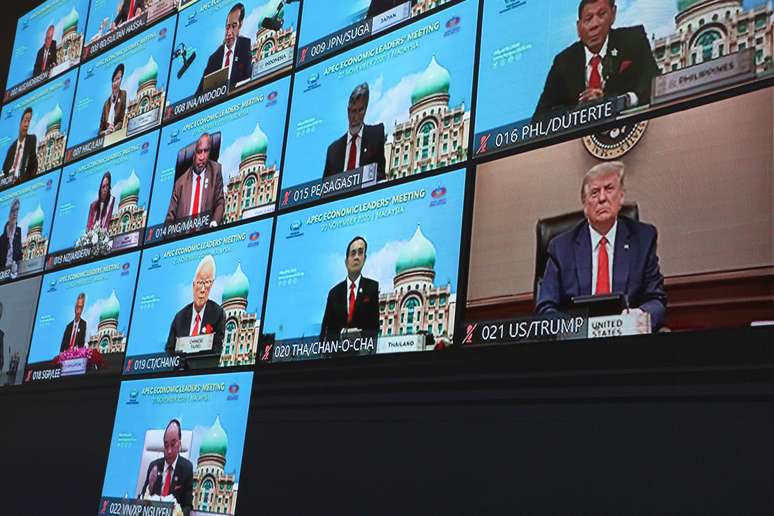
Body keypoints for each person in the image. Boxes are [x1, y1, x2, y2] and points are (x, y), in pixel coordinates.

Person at [535, 161, 666, 331]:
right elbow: (545, 307)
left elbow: (656, 299)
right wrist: (576, 329)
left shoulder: (643, 239)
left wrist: (640, 316)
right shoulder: (561, 248)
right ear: (584, 204)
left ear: (621, 197)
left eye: (609, 189)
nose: (602, 198)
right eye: (595, 192)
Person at [532, 0, 660, 119]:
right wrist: (575, 113)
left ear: (613, 14)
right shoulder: (564, 61)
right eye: (588, 19)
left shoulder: (633, 39)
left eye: (601, 14)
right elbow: (539, 118)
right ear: (578, 27)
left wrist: (618, 101)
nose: (594, 25)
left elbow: (655, 85)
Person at [323, 83, 386, 181]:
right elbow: (324, 190)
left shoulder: (376, 134)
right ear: (348, 111)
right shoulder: (333, 150)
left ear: (365, 110)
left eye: (360, 110)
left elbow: (381, 175)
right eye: (353, 111)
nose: (356, 117)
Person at [321, 236, 380, 340]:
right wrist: (343, 334)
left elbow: (374, 328)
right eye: (353, 253)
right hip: (337, 353)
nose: (356, 257)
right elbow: (325, 332)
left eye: (360, 252)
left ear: (365, 258)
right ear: (346, 261)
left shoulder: (372, 287)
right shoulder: (334, 293)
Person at [166, 255, 225, 355]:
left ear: (212, 285)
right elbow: (169, 350)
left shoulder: (218, 313)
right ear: (193, 285)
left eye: (207, 283)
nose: (202, 289)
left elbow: (217, 350)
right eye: (200, 282)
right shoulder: (179, 317)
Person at [165, 133, 225, 227]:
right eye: (199, 152)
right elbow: (169, 219)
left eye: (206, 151)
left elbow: (220, 202)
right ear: (193, 155)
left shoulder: (215, 171)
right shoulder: (180, 183)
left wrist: (214, 222)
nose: (202, 157)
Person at [139, 419, 194, 516]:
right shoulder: (154, 466)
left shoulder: (187, 469)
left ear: (179, 444)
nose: (169, 451)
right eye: (166, 445)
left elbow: (187, 506)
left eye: (173, 444)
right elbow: (143, 497)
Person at [196, 3, 253, 95]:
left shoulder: (244, 46)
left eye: (234, 26)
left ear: (240, 25)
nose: (229, 32)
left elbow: (248, 78)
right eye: (227, 27)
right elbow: (198, 94)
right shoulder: (214, 58)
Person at [2, 107, 38, 181]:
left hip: (23, 182)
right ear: (20, 122)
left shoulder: (31, 139)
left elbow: (34, 163)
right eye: (25, 121)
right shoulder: (11, 148)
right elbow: (4, 171)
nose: (27, 124)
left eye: (29, 121)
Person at [100, 64, 127, 136]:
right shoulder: (106, 104)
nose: (116, 83)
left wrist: (114, 129)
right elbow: (100, 132)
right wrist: (106, 132)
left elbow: (122, 120)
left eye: (119, 79)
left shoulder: (123, 94)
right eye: (115, 80)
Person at [0, 199, 22, 276]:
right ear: (10, 212)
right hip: (3, 272)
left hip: (15, 270)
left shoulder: (18, 231)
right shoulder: (2, 237)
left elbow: (19, 253)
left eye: (17, 210)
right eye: (14, 210)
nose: (15, 213)